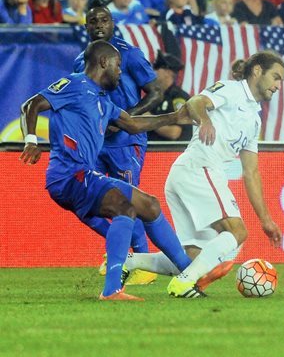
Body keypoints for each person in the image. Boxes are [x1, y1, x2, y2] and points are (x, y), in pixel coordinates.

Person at [20, 40, 193, 301]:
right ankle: (112, 290)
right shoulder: (75, 83)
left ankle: (190, 273)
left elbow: (132, 124)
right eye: (118, 66)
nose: (120, 72)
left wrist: (173, 118)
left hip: (83, 174)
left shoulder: (104, 102)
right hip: (69, 175)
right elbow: (31, 105)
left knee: (150, 205)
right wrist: (31, 140)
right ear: (103, 62)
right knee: (125, 208)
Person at [122, 51, 284, 298]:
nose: (278, 85)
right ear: (257, 71)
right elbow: (196, 102)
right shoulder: (232, 90)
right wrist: (205, 120)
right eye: (276, 77)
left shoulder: (254, 119)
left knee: (192, 255)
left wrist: (266, 220)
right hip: (200, 168)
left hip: (189, 173)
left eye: (281, 81)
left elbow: (250, 171)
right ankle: (184, 283)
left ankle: (130, 263)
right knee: (237, 232)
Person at [73, 0, 164, 286]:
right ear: (85, 26)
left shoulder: (130, 54)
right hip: (95, 143)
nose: (99, 25)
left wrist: (126, 119)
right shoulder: (80, 62)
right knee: (91, 201)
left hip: (127, 142)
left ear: (113, 24)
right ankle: (122, 252)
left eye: (104, 20)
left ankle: (144, 262)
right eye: (93, 21)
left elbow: (156, 92)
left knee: (127, 199)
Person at [148, 52, 193, 142]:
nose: (153, 71)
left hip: (173, 153)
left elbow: (174, 133)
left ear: (167, 72)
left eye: (157, 68)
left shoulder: (179, 98)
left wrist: (150, 120)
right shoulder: (154, 97)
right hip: (154, 153)